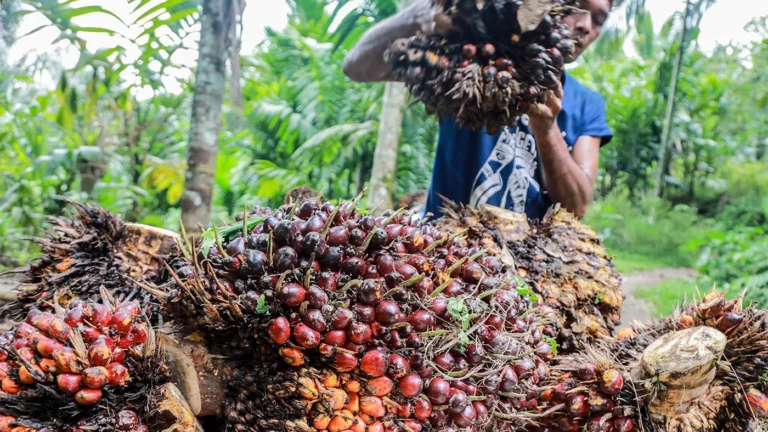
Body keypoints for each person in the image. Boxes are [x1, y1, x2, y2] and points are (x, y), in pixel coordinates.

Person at [343, 0, 613, 220]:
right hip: (444, 253)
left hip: (523, 266)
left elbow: (576, 208)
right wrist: (421, 14)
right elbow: (356, 66)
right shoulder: (471, 62)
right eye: (576, 6)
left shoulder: (588, 104)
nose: (585, 25)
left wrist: (547, 130)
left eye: (598, 19)